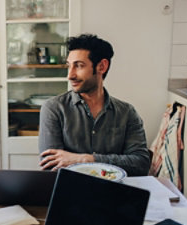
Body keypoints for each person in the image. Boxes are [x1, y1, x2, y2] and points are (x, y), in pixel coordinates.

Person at [39, 34, 150, 176]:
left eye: (79, 66)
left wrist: (85, 159)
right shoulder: (53, 109)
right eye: (69, 66)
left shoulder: (127, 112)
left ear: (102, 66)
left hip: (115, 192)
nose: (70, 75)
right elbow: (51, 166)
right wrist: (114, 162)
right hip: (70, 192)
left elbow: (141, 164)